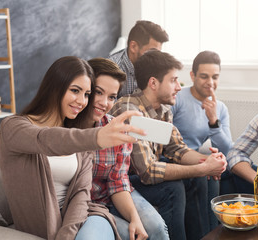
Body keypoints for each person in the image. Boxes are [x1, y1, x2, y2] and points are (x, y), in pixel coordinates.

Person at [0, 56, 145, 240]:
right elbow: (46, 140)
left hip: (87, 215)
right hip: (43, 223)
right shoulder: (13, 127)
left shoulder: (78, 136)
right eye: (75, 90)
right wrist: (98, 137)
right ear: (55, 87)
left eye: (86, 94)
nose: (82, 101)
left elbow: (81, 194)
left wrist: (66, 235)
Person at [110, 50, 227, 240]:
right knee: (174, 188)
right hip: (124, 183)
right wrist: (202, 168)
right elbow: (147, 171)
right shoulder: (129, 110)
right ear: (153, 83)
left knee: (203, 177)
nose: (179, 87)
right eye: (173, 80)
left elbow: (177, 149)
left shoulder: (163, 110)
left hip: (142, 176)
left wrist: (208, 161)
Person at [68, 57, 169, 240]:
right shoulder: (64, 133)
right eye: (98, 92)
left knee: (156, 228)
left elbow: (117, 182)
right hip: (85, 205)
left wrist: (134, 218)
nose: (104, 103)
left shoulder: (117, 130)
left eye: (112, 97)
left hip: (111, 194)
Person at [171, 51, 234, 230]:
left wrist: (213, 120)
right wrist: (205, 163)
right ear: (192, 76)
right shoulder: (177, 98)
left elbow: (226, 147)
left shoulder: (219, 108)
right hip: (175, 158)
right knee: (208, 174)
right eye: (204, 76)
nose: (210, 83)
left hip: (198, 159)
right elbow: (166, 142)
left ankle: (213, 232)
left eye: (215, 77)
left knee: (217, 171)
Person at [109, 20, 169, 98]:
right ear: (133, 47)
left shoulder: (154, 65)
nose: (156, 57)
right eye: (152, 51)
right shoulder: (112, 70)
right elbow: (109, 107)